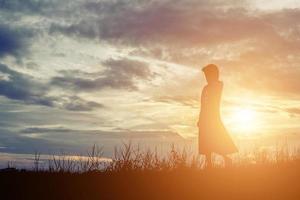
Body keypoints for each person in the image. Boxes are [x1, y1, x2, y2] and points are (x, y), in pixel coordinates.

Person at [197, 64, 238, 168]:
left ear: (213, 75)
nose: (206, 78)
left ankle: (226, 158)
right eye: (206, 76)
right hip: (204, 119)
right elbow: (203, 105)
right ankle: (209, 165)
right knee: (206, 142)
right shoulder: (206, 88)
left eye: (208, 75)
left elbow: (217, 88)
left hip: (213, 118)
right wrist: (200, 119)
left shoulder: (217, 86)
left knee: (215, 140)